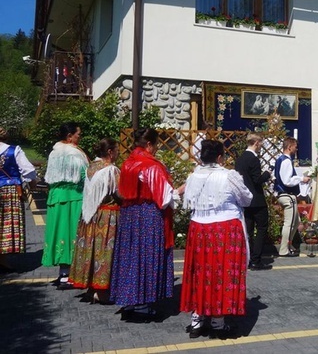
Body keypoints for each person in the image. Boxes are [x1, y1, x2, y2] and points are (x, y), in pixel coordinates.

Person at [181, 140, 253, 339]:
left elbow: (188, 199)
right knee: (222, 272)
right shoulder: (228, 175)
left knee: (199, 271)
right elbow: (247, 198)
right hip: (224, 228)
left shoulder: (194, 175)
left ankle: (197, 317)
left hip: (199, 228)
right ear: (220, 157)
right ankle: (217, 321)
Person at [110, 128, 182, 321]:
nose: (157, 148)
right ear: (149, 144)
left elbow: (121, 191)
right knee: (147, 256)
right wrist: (180, 190)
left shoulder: (128, 163)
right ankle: (143, 303)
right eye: (156, 144)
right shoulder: (151, 166)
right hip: (149, 216)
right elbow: (164, 198)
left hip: (130, 215)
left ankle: (130, 298)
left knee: (131, 254)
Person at [68, 138, 120, 302]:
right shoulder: (111, 170)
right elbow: (119, 194)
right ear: (110, 152)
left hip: (89, 215)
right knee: (104, 251)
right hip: (106, 215)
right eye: (117, 150)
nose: (119, 153)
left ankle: (91, 287)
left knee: (90, 250)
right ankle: (102, 291)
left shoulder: (91, 167)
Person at [42, 122, 89, 287]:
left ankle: (63, 272)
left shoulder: (54, 152)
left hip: (56, 197)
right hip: (73, 196)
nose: (79, 137)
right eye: (78, 135)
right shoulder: (74, 153)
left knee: (59, 232)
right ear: (69, 137)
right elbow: (85, 174)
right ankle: (69, 275)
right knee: (71, 233)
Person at [0, 127, 37, 272]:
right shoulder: (14, 150)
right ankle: (3, 258)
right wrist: (31, 182)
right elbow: (28, 170)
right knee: (7, 223)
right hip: (10, 190)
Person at [235, 133, 273, 271]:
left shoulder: (240, 159)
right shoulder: (253, 159)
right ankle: (256, 260)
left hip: (244, 199)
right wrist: (267, 174)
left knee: (248, 230)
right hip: (257, 199)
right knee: (262, 228)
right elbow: (257, 180)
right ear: (256, 143)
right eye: (261, 143)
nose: (261, 146)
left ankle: (248, 258)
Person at [273, 137, 310, 257]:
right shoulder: (286, 161)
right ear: (289, 147)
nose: (296, 149)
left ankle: (288, 246)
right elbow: (287, 180)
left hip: (283, 194)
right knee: (289, 223)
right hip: (287, 194)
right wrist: (301, 179)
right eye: (295, 147)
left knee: (296, 222)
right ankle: (284, 249)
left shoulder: (280, 159)